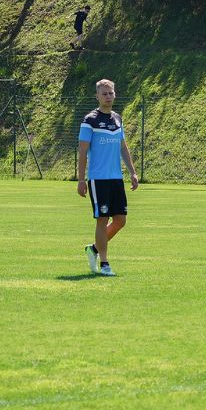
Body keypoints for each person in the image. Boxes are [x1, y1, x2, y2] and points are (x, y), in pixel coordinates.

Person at [77, 79, 139, 276]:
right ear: (97, 96)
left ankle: (94, 249)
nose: (108, 96)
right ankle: (104, 263)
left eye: (110, 93)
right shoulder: (90, 120)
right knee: (102, 220)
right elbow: (82, 151)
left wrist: (132, 172)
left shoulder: (117, 119)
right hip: (98, 179)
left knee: (120, 220)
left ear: (115, 94)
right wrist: (80, 179)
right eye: (104, 93)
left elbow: (123, 147)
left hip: (116, 179)